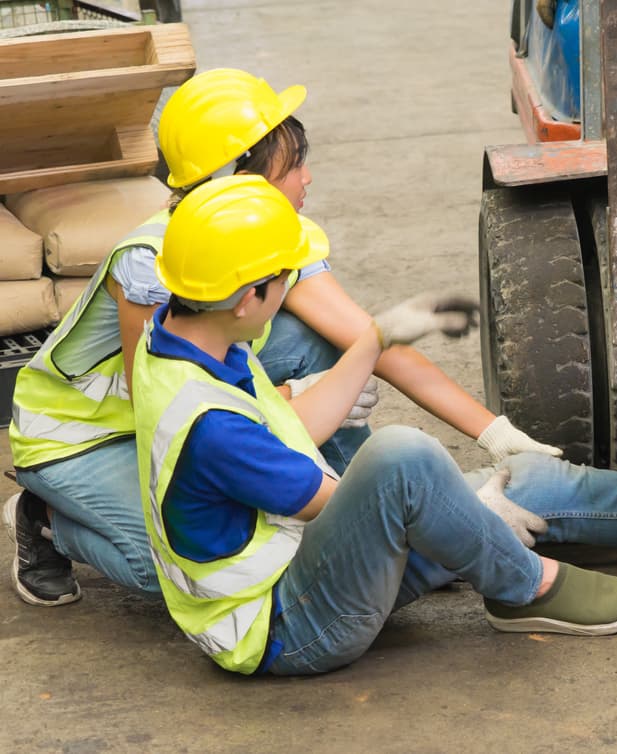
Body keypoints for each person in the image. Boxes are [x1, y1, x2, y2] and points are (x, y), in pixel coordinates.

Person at [4, 68, 561, 607]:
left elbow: (370, 343)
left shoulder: (268, 238)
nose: (308, 179)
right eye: (294, 165)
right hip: (82, 436)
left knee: (318, 345)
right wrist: (291, 404)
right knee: (169, 566)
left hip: (178, 413)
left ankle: (373, 519)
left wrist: (495, 432)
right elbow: (156, 412)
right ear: (241, 180)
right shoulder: (156, 265)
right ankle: (43, 518)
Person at [133, 175, 617, 674]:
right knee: (403, 460)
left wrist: (377, 337)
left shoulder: (187, 338)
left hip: (307, 561)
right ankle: (527, 587)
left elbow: (298, 426)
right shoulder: (210, 423)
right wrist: (470, 516)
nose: (290, 289)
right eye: (284, 281)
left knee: (525, 478)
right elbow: (352, 501)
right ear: (248, 298)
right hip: (290, 624)